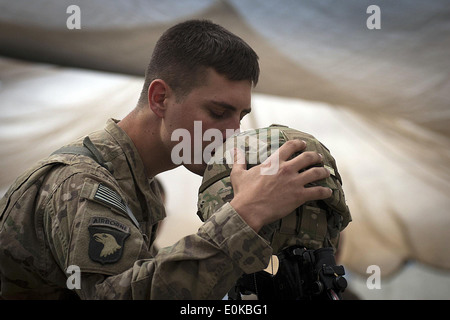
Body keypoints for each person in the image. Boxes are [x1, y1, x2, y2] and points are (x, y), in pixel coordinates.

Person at [0, 20, 332, 299]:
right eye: (218, 112)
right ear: (160, 98)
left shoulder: (134, 185)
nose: (233, 131)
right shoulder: (83, 184)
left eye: (241, 115)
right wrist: (244, 216)